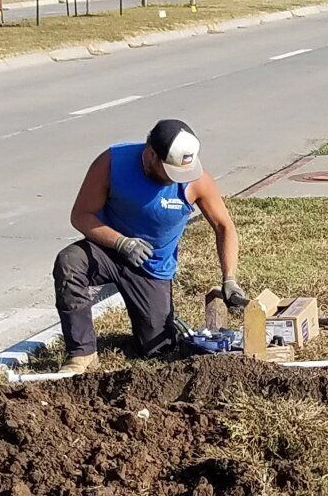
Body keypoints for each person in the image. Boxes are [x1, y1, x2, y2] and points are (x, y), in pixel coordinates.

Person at [53, 118, 248, 373]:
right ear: (151, 154)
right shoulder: (112, 163)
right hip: (107, 250)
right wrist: (121, 242)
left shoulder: (197, 180)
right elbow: (80, 215)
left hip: (152, 267)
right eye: (171, 171)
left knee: (158, 349)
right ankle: (83, 353)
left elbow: (224, 226)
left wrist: (230, 278)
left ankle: (161, 325)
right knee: (69, 262)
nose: (177, 179)